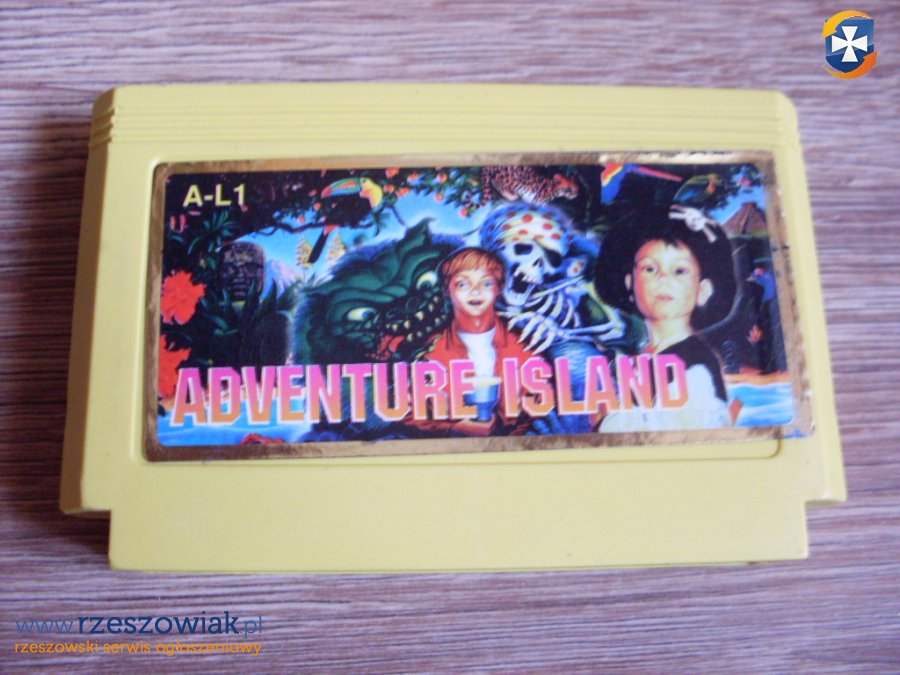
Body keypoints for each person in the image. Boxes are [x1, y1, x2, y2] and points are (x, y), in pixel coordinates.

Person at [596, 206, 738, 431]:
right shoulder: (637, 358)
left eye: (680, 271)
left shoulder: (696, 367)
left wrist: (606, 417)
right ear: (630, 283)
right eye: (649, 269)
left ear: (703, 291)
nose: (663, 279)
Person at [420, 247, 542, 435]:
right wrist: (455, 428)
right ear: (446, 290)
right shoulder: (431, 349)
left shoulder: (523, 344)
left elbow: (542, 408)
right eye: (462, 284)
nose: (475, 292)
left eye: (486, 283)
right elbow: (409, 414)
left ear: (499, 288)